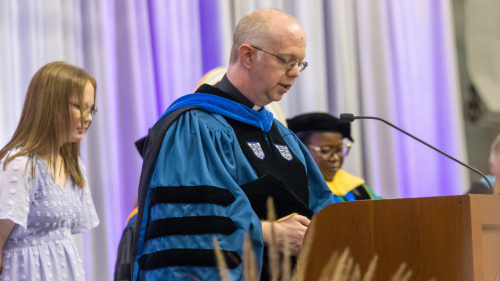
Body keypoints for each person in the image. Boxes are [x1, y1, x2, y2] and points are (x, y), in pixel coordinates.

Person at [130, 8, 334, 281]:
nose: (295, 72)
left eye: (300, 63)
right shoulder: (193, 127)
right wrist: (270, 233)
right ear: (248, 55)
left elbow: (326, 212)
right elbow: (193, 220)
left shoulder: (282, 137)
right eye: (286, 60)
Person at [0, 62, 99, 281]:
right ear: (50, 106)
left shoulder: (74, 167)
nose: (89, 117)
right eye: (81, 107)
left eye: (91, 109)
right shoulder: (22, 164)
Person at [287, 113, 381, 202]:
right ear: (300, 150)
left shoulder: (357, 187)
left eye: (339, 149)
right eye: (325, 150)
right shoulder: (293, 189)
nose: (335, 157)